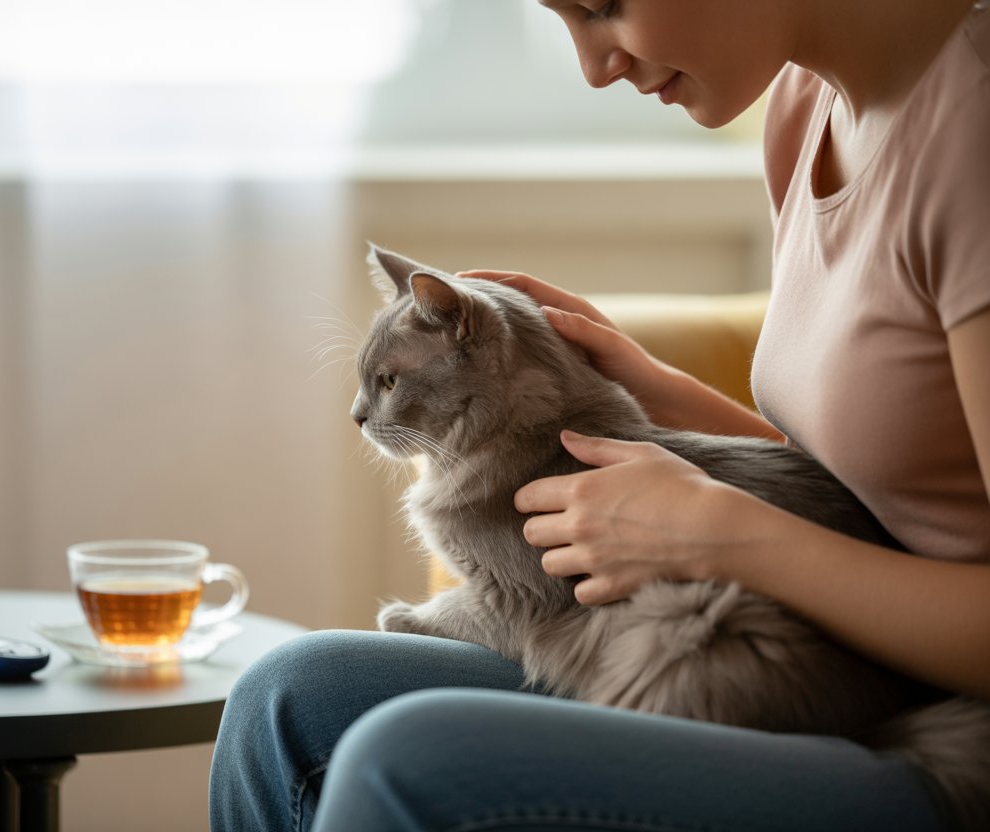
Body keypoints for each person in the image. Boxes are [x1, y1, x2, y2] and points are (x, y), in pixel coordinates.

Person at [209, 0, 990, 829]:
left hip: (945, 731)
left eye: (603, 6)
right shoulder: (805, 108)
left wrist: (719, 531)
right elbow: (881, 495)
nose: (593, 67)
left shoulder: (970, 135)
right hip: (838, 662)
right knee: (285, 695)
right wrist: (652, 391)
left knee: (399, 760)